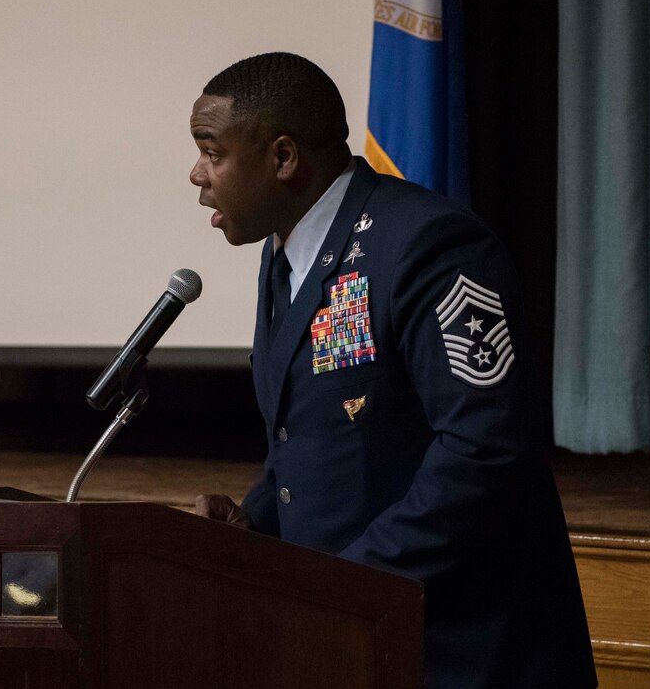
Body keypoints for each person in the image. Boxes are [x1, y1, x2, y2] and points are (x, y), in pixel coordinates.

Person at [190, 52, 596, 689]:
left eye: (211, 152)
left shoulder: (429, 245)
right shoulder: (285, 253)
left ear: (284, 157)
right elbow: (312, 434)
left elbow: (485, 451)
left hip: (463, 652)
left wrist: (348, 586)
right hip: (358, 639)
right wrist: (256, 522)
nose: (197, 174)